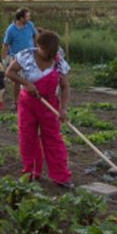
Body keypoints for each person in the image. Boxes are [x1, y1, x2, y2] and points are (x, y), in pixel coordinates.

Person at [6, 29, 73, 188]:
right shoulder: (26, 56)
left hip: (49, 105)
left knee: (53, 139)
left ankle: (60, 176)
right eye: (45, 50)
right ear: (39, 46)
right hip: (28, 103)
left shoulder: (58, 62)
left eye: (52, 51)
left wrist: (63, 109)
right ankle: (31, 172)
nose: (49, 54)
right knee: (28, 138)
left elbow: (65, 87)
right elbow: (10, 72)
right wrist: (27, 83)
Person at [1, 8, 37, 109]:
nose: (29, 18)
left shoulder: (30, 25)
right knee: (17, 80)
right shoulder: (11, 29)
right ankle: (16, 102)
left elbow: (35, 37)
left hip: (30, 56)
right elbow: (6, 44)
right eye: (27, 16)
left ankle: (31, 99)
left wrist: (36, 50)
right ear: (21, 18)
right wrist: (4, 58)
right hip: (17, 58)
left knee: (32, 77)